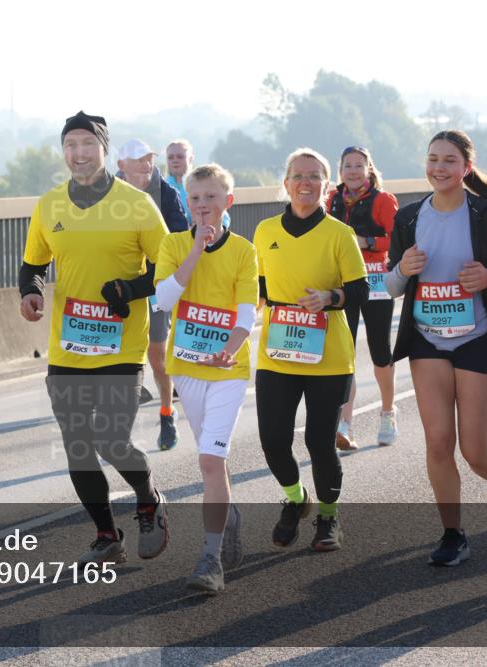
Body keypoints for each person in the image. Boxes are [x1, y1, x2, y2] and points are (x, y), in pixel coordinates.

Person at [18, 111, 170, 565]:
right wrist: (30, 292)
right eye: (70, 145)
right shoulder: (49, 205)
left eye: (87, 143)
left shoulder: (137, 204)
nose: (78, 153)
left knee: (110, 440)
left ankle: (147, 499)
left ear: (104, 149)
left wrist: (129, 289)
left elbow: (168, 272)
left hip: (121, 345)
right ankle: (107, 535)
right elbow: (32, 264)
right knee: (79, 447)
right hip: (69, 345)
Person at [385, 129, 487, 566]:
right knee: (437, 442)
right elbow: (390, 286)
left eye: (449, 160)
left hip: (477, 339)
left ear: (466, 167)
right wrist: (403, 270)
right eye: (433, 159)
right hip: (427, 341)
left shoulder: (486, 213)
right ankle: (453, 534)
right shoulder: (409, 217)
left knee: (474, 450)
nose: (439, 168)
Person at [254, 147, 368, 552]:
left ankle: (329, 518)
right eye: (298, 175)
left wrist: (330, 296)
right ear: (285, 184)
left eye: (314, 176)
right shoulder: (265, 232)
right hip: (278, 352)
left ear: (325, 185)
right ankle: (296, 498)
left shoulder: (340, 233)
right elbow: (261, 287)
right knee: (272, 439)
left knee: (320, 443)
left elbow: (360, 290)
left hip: (329, 356)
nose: (306, 182)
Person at [155, 164, 257, 593]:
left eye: (211, 198)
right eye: (195, 198)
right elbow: (162, 299)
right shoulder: (174, 243)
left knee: (210, 461)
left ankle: (209, 558)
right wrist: (195, 250)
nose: (202, 206)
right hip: (187, 369)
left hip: (227, 371)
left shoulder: (244, 252)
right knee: (212, 459)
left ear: (227, 202)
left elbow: (247, 314)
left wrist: (228, 349)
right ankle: (228, 515)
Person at [326, 146, 400, 449]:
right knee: (344, 353)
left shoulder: (382, 200)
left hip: (377, 281)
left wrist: (366, 241)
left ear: (368, 169)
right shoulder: (331, 198)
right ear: (340, 170)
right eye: (348, 166)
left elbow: (397, 240)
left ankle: (387, 413)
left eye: (359, 166)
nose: (353, 171)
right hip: (345, 283)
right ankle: (346, 423)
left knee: (380, 349)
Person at [117, 138, 188, 450]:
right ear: (121, 166)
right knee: (118, 359)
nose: (146, 165)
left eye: (148, 159)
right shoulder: (105, 195)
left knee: (157, 357)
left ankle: (166, 412)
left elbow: (179, 236)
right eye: (138, 160)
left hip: (155, 286)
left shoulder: (166, 193)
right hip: (122, 287)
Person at [165, 139, 231, 229]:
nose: (175, 160)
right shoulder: (162, 189)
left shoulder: (203, 184)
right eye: (170, 157)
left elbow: (223, 218)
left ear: (191, 158)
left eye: (180, 156)